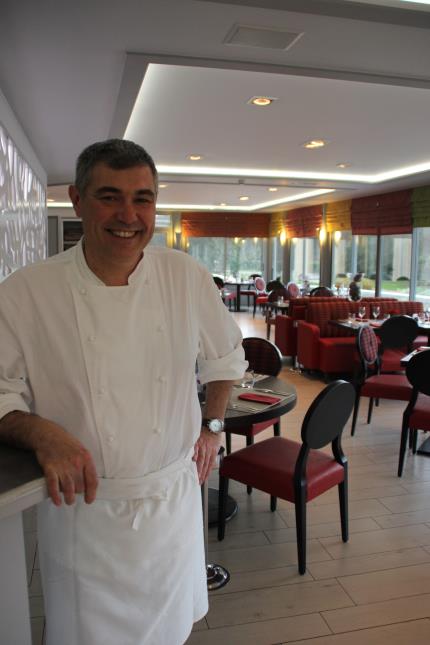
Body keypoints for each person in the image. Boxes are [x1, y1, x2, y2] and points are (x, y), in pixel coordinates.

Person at [0, 139, 247, 645]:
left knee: (172, 631)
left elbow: (226, 359)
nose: (128, 215)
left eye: (143, 199)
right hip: (85, 513)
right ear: (76, 198)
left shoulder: (186, 276)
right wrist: (40, 432)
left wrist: (213, 426)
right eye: (109, 196)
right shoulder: (26, 291)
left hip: (171, 505)